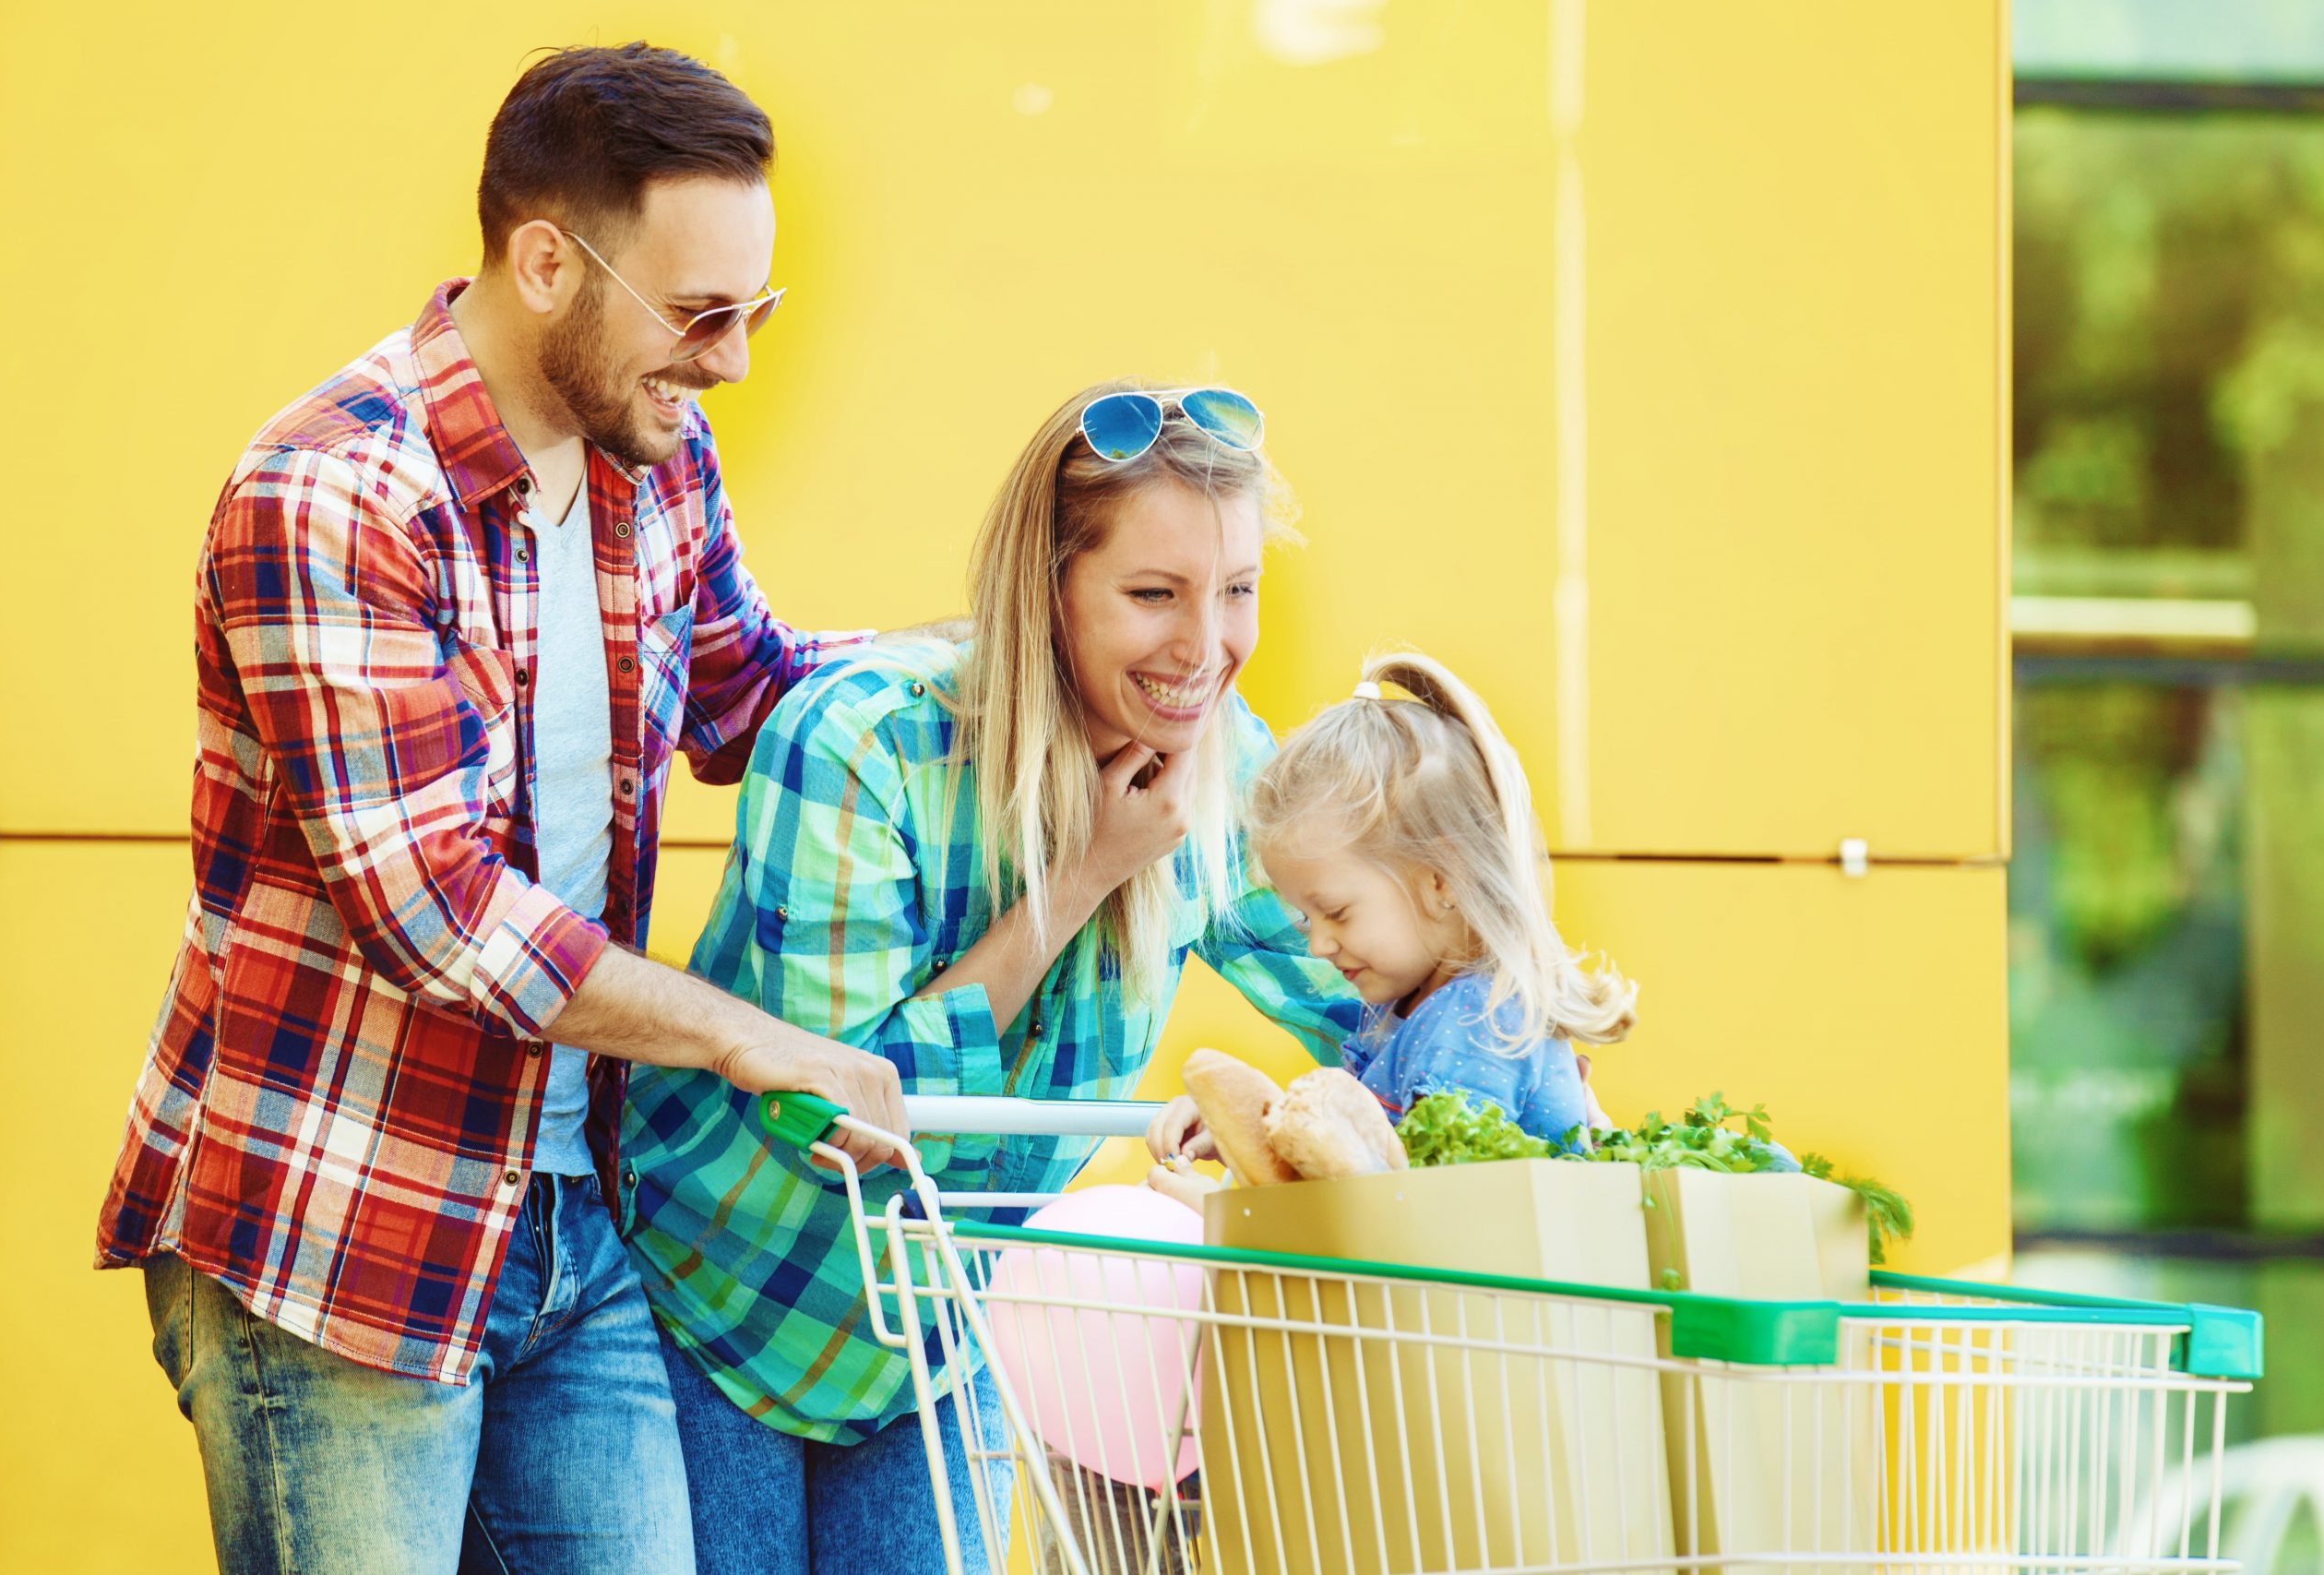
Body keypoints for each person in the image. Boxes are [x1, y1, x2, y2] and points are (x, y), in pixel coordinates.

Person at [92, 43, 903, 1575]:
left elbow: (752, 695)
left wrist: (1014, 663)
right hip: (340, 1234)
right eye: (702, 314)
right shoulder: (331, 492)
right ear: (546, 259)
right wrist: (743, 1034)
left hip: (574, 1222)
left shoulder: (652, 458)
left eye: (758, 313)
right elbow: (436, 915)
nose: (732, 361)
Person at [622, 380, 1365, 1572]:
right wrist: (1075, 884)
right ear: (1050, 585)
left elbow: (1367, 993)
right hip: (722, 1308)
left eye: (1236, 591)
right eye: (1154, 594)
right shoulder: (861, 742)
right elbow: (837, 1115)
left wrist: (1490, 1060)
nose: (1205, 647)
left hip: (935, 1338)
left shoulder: (1219, 766)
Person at [1150, 651, 1633, 1162]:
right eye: (1305, 919)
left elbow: (1410, 1203)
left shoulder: (1472, 1024)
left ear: (1442, 880)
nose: (1317, 944)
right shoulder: (1410, 1009)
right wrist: (1251, 1129)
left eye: (1337, 912)